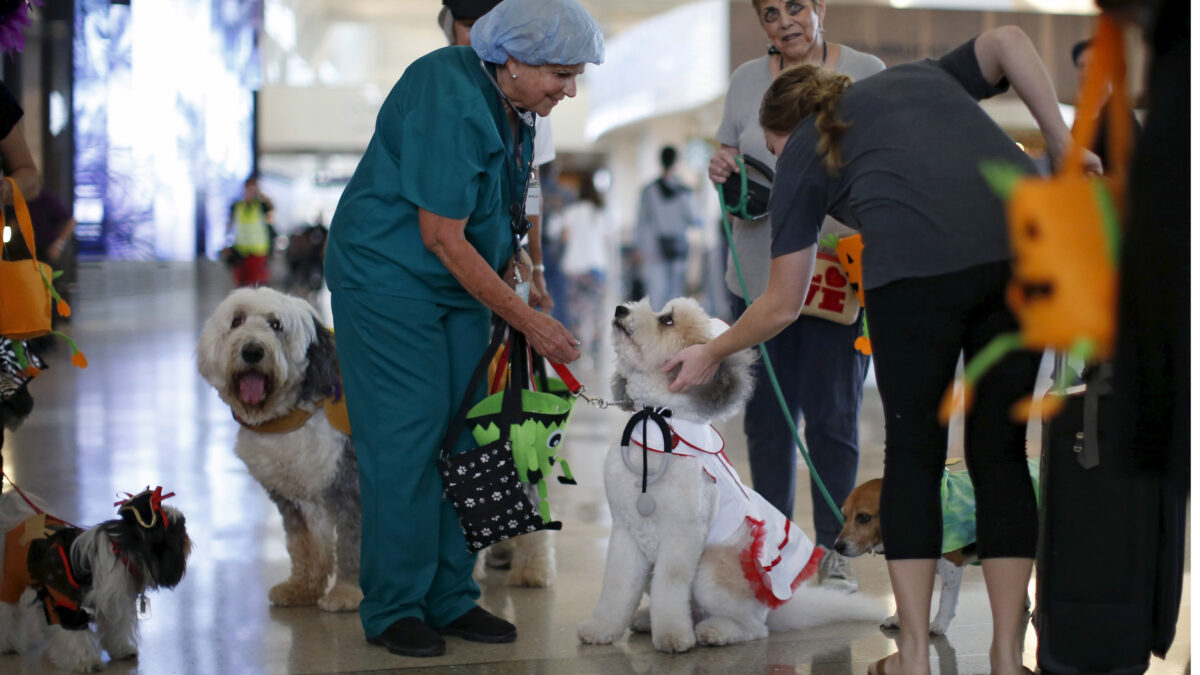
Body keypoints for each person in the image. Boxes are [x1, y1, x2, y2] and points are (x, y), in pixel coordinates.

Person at [666, 26, 1100, 675]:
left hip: (914, 276)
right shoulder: (922, 76)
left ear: (782, 129)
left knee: (917, 454)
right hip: (1023, 252)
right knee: (1001, 452)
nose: (779, 163)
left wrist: (711, 351)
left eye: (773, 149)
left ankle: (916, 654)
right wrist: (1064, 142)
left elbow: (780, 303)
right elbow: (1009, 38)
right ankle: (1009, 657)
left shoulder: (804, 151)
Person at [323, 0, 601, 658]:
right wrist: (528, 320)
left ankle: (450, 594)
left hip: (454, 285)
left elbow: (497, 207)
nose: (570, 88)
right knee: (406, 438)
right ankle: (395, 604)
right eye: (561, 73)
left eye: (574, 74)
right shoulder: (445, 90)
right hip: (389, 278)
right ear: (511, 58)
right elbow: (442, 237)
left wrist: (524, 268)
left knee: (470, 433)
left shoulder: (518, 108)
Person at [708, 0, 884, 592]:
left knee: (834, 421)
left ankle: (839, 550)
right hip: (758, 277)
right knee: (765, 422)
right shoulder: (745, 82)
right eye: (770, 13)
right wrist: (723, 164)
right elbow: (729, 150)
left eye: (795, 7)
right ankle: (774, 545)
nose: (785, 22)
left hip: (836, 284)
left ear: (820, 8)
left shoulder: (866, 72)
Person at [438, 0, 557, 315]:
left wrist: (536, 265)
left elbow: (530, 187)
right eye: (468, 28)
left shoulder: (531, 104)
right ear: (448, 27)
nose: (481, 40)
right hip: (437, 265)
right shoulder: (438, 92)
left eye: (491, 29)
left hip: (493, 263)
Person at [553, 173, 612, 368]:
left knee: (575, 312)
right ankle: (595, 350)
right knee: (595, 311)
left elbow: (564, 238)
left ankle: (576, 348)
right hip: (596, 268)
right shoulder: (600, 213)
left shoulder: (571, 212)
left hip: (574, 268)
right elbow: (606, 239)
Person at [635, 146, 699, 309]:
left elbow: (642, 222)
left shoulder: (649, 191)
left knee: (656, 299)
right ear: (676, 162)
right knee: (675, 302)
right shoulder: (684, 191)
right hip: (678, 249)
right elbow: (696, 218)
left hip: (655, 251)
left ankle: (656, 334)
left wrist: (642, 249)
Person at [1070, 38, 1141, 170]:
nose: (1086, 73)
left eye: (1093, 65)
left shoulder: (1121, 118)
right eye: (1081, 66)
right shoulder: (1080, 121)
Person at [224, 175, 274, 287]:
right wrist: (226, 244)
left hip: (258, 251)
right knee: (241, 285)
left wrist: (261, 195)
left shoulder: (260, 205)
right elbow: (229, 225)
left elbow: (271, 206)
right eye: (249, 188)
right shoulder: (237, 206)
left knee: (257, 285)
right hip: (240, 251)